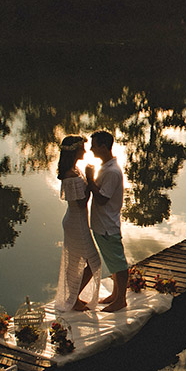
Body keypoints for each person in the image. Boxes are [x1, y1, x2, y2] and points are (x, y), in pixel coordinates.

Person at [53, 135, 102, 312]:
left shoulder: (74, 169)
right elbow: (81, 203)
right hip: (76, 222)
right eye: (82, 147)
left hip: (77, 220)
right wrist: (90, 180)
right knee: (94, 261)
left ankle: (73, 297)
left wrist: (89, 179)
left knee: (75, 262)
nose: (85, 150)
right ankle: (73, 299)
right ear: (75, 150)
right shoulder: (70, 175)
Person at [86, 130, 129, 312]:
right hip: (102, 224)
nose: (91, 149)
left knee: (118, 263)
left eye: (94, 145)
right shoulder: (106, 167)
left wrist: (89, 178)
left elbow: (103, 198)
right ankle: (115, 294)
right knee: (113, 262)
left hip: (107, 226)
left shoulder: (111, 171)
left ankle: (121, 300)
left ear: (103, 147)